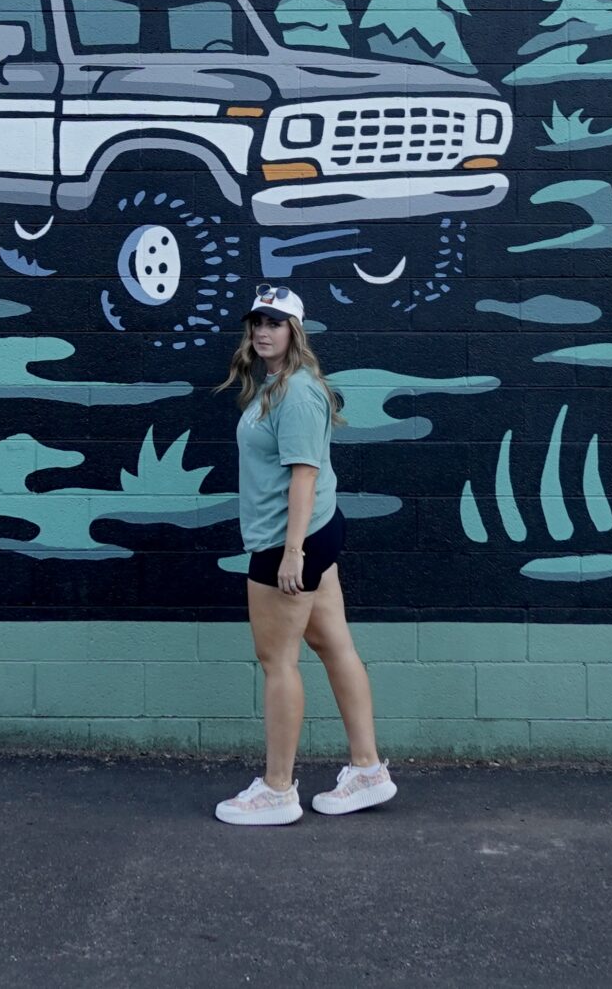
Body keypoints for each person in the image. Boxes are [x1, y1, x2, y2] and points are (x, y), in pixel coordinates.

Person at [211, 284, 396, 826]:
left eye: (275, 322)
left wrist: (291, 552)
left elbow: (304, 476)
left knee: (277, 661)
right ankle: (367, 771)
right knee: (332, 643)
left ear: (296, 331)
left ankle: (277, 790)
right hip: (310, 536)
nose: (262, 331)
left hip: (289, 542)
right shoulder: (279, 386)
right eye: (256, 322)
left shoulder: (295, 392)